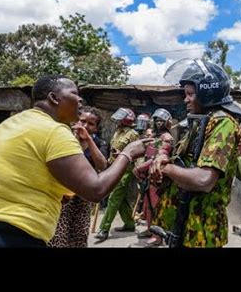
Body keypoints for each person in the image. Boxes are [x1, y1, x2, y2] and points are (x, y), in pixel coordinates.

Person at [0, 75, 150, 247]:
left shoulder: (10, 124)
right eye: (74, 93)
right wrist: (128, 154)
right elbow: (95, 190)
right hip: (11, 236)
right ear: (54, 98)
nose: (80, 100)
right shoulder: (55, 131)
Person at [150, 58, 241, 247]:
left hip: (201, 229)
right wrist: (163, 155)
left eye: (190, 94)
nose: (186, 99)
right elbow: (180, 156)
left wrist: (165, 169)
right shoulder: (201, 122)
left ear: (207, 93)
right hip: (185, 223)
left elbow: (204, 180)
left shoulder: (223, 123)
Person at [48, 106, 109, 248]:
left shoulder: (99, 143)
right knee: (58, 237)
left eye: (91, 124)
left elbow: (102, 165)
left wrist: (88, 140)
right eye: (83, 121)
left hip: (83, 197)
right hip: (61, 196)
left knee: (80, 236)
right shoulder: (65, 138)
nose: (86, 126)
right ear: (76, 122)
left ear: (96, 128)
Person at [95, 108, 140, 243]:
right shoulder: (117, 131)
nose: (117, 120)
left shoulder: (133, 134)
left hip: (125, 171)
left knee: (113, 198)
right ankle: (130, 224)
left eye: (121, 118)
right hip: (113, 168)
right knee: (121, 200)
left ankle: (104, 228)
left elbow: (137, 153)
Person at [134, 108, 174, 246]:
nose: (158, 123)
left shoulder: (167, 138)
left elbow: (158, 158)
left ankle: (158, 236)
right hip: (148, 175)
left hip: (158, 176)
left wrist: (140, 168)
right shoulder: (155, 136)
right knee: (147, 205)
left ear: (167, 122)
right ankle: (150, 229)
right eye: (156, 120)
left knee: (155, 206)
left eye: (161, 120)